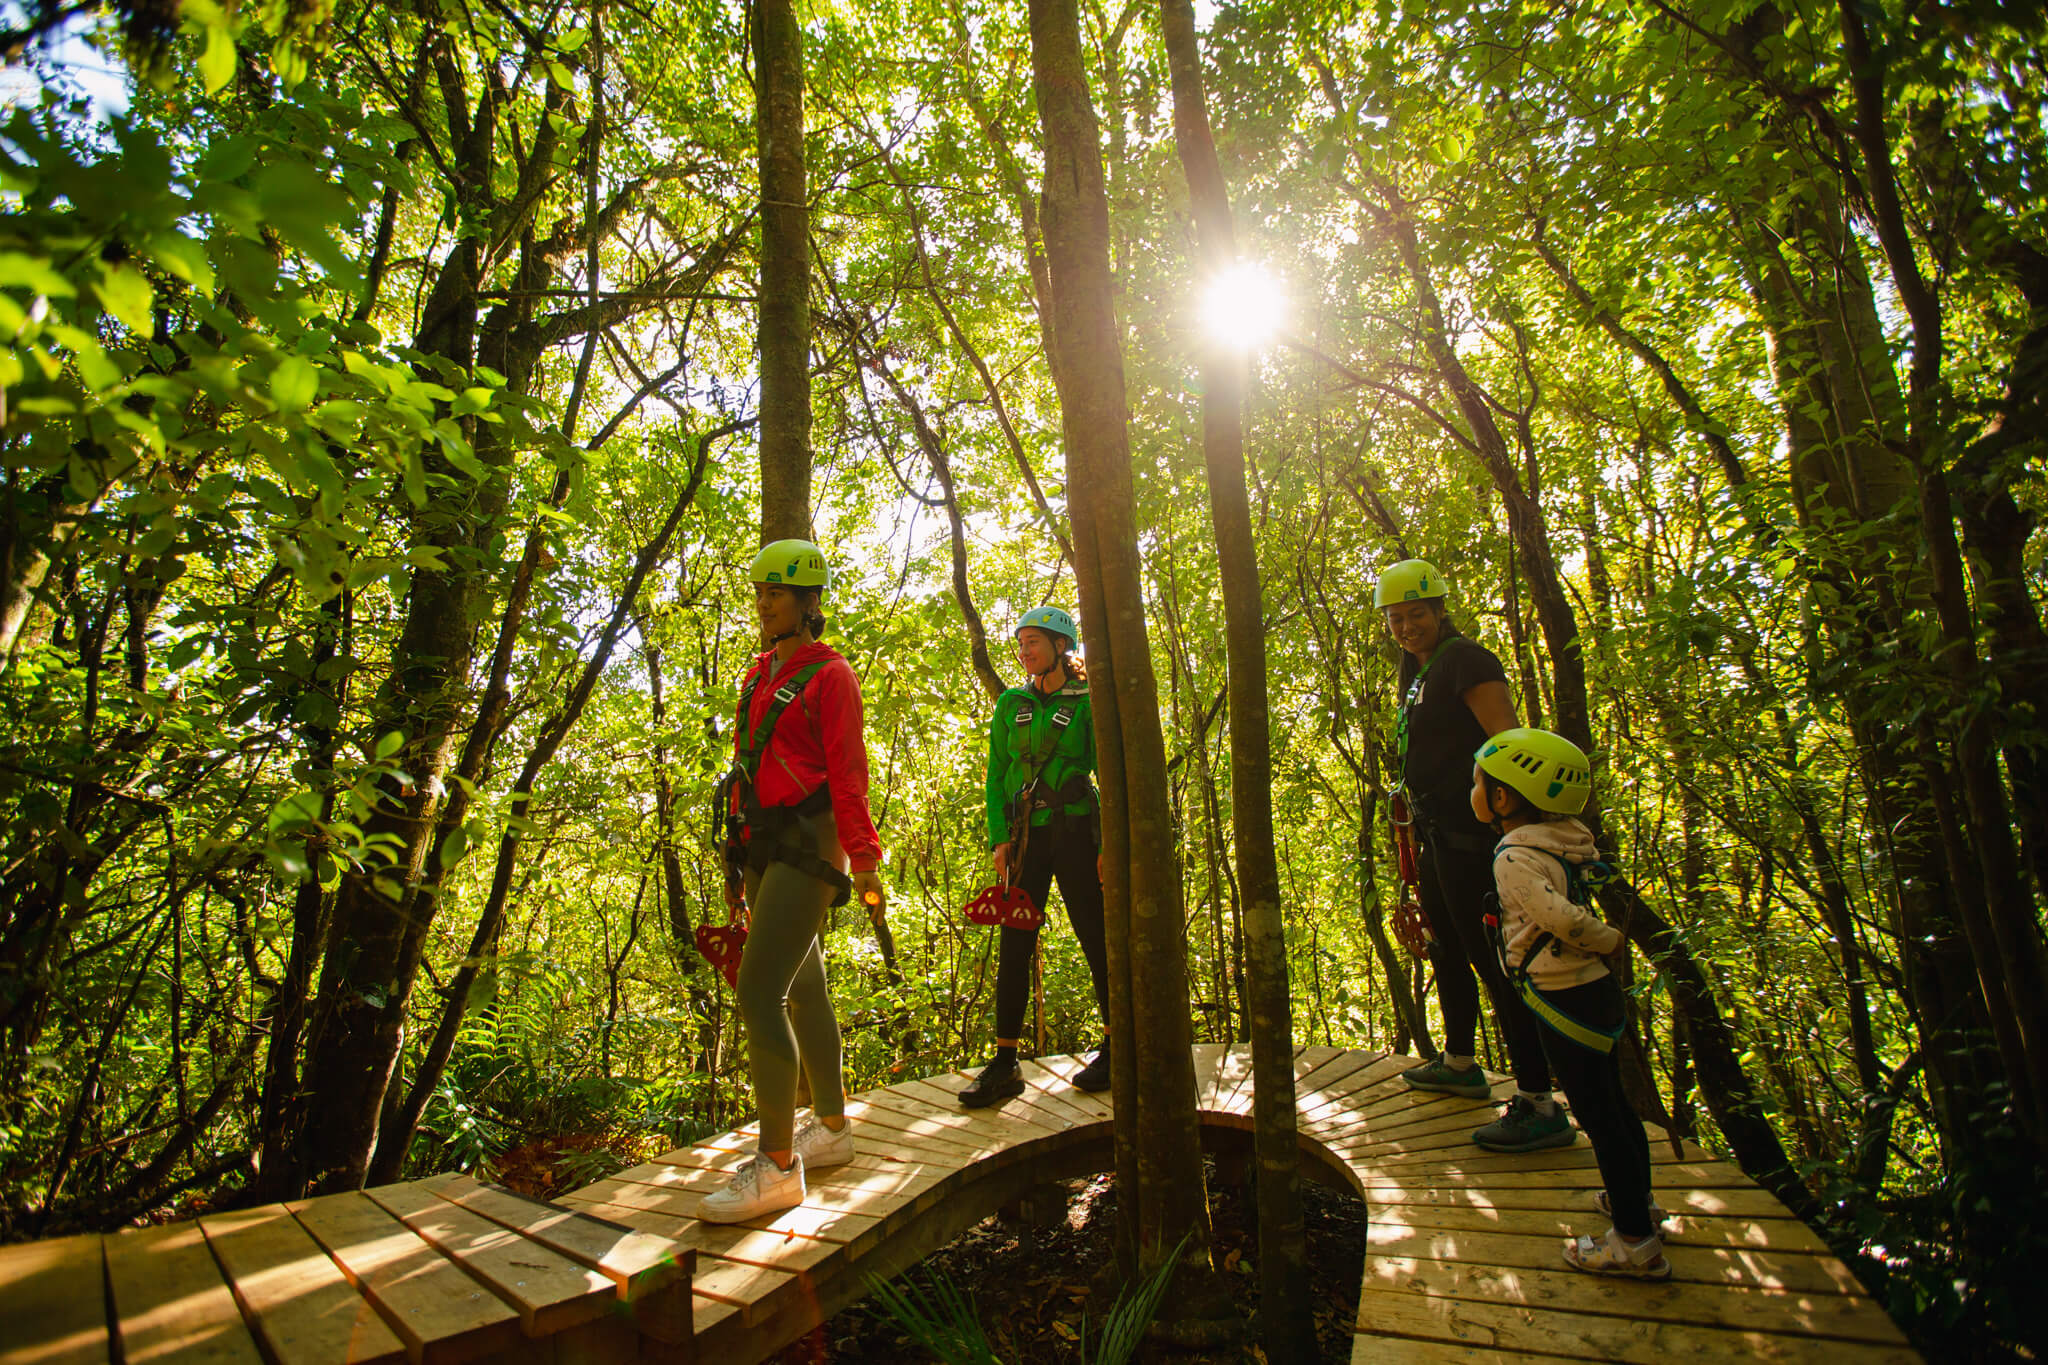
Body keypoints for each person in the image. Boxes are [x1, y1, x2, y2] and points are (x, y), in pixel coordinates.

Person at [698, 539, 887, 1223]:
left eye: (774, 592)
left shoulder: (830, 675)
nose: (762, 603)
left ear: (808, 602)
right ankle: (832, 1128)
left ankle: (777, 1165)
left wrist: (863, 862)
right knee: (805, 989)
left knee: (758, 989)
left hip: (810, 847)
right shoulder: (758, 672)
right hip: (762, 841)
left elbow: (848, 770)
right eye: (758, 592)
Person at [1376, 559, 1572, 1153]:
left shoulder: (1467, 661)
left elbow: (1508, 742)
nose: (1407, 626)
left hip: (1476, 837)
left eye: (1417, 614)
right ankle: (1461, 1062)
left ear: (1439, 611)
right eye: (1396, 618)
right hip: (1434, 832)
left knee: (1496, 965)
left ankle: (1540, 1102)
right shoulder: (1416, 670)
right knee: (1444, 947)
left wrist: (1513, 830)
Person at [1472, 727, 1670, 1279]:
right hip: (1593, 989)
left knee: (1598, 1114)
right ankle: (1640, 1203)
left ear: (1505, 798)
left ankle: (1633, 1241)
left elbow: (1558, 918)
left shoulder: (1514, 856)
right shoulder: (1569, 839)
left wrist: (1607, 938)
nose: (1475, 790)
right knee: (1616, 1106)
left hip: (1562, 995)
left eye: (1480, 782)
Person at [958, 606, 1113, 1107]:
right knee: (1014, 943)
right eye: (1021, 643)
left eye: (1034, 643)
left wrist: (1109, 843)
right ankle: (1005, 1062)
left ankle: (1117, 1044)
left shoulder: (1090, 700)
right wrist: (999, 838)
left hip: (1073, 833)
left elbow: (1110, 773)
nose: (1025, 652)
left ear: (1062, 646)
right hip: (1026, 839)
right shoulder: (1011, 704)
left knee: (1095, 934)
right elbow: (995, 773)